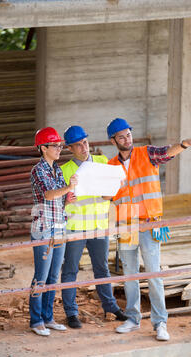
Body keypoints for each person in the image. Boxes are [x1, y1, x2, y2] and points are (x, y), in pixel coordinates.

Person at [107, 118, 191, 341]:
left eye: (128, 134)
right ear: (113, 140)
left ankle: (160, 323)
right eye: (121, 137)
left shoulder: (146, 153)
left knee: (153, 274)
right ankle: (132, 319)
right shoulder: (110, 166)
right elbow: (107, 195)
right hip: (127, 225)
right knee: (130, 275)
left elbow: (166, 152)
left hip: (149, 222)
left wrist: (184, 144)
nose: (126, 139)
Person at [60, 125, 128, 328]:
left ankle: (111, 307)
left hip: (99, 226)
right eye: (78, 145)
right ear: (70, 148)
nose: (83, 147)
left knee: (102, 269)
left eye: (85, 142)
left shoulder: (101, 162)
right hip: (76, 227)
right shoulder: (65, 171)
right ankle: (71, 313)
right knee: (71, 270)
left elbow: (113, 190)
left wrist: (112, 193)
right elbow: (60, 202)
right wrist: (66, 201)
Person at [29, 127, 78, 336]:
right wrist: (67, 188)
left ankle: (48, 318)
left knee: (53, 276)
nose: (59, 149)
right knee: (41, 276)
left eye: (60, 145)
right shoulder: (38, 171)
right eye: (55, 145)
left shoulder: (56, 169)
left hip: (59, 226)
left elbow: (58, 199)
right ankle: (35, 320)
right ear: (43, 148)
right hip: (43, 229)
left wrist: (67, 199)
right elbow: (48, 195)